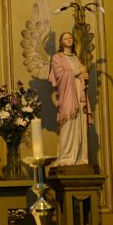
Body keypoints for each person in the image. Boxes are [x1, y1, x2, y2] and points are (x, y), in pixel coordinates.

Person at [50, 31, 90, 166]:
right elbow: (60, 75)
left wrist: (84, 77)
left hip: (79, 95)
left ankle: (79, 157)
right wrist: (78, 72)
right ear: (61, 42)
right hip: (67, 95)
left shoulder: (75, 58)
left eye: (70, 38)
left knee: (80, 124)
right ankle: (66, 156)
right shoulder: (57, 57)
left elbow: (81, 75)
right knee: (68, 123)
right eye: (65, 38)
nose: (69, 39)